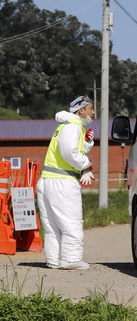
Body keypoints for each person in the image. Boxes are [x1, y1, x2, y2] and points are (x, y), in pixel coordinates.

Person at [36, 95, 95, 270]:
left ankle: (54, 260)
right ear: (81, 111)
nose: (93, 113)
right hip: (63, 182)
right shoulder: (73, 126)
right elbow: (68, 152)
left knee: (52, 226)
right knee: (71, 223)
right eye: (91, 109)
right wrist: (86, 163)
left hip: (48, 180)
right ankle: (71, 260)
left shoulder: (64, 126)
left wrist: (87, 143)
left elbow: (70, 148)